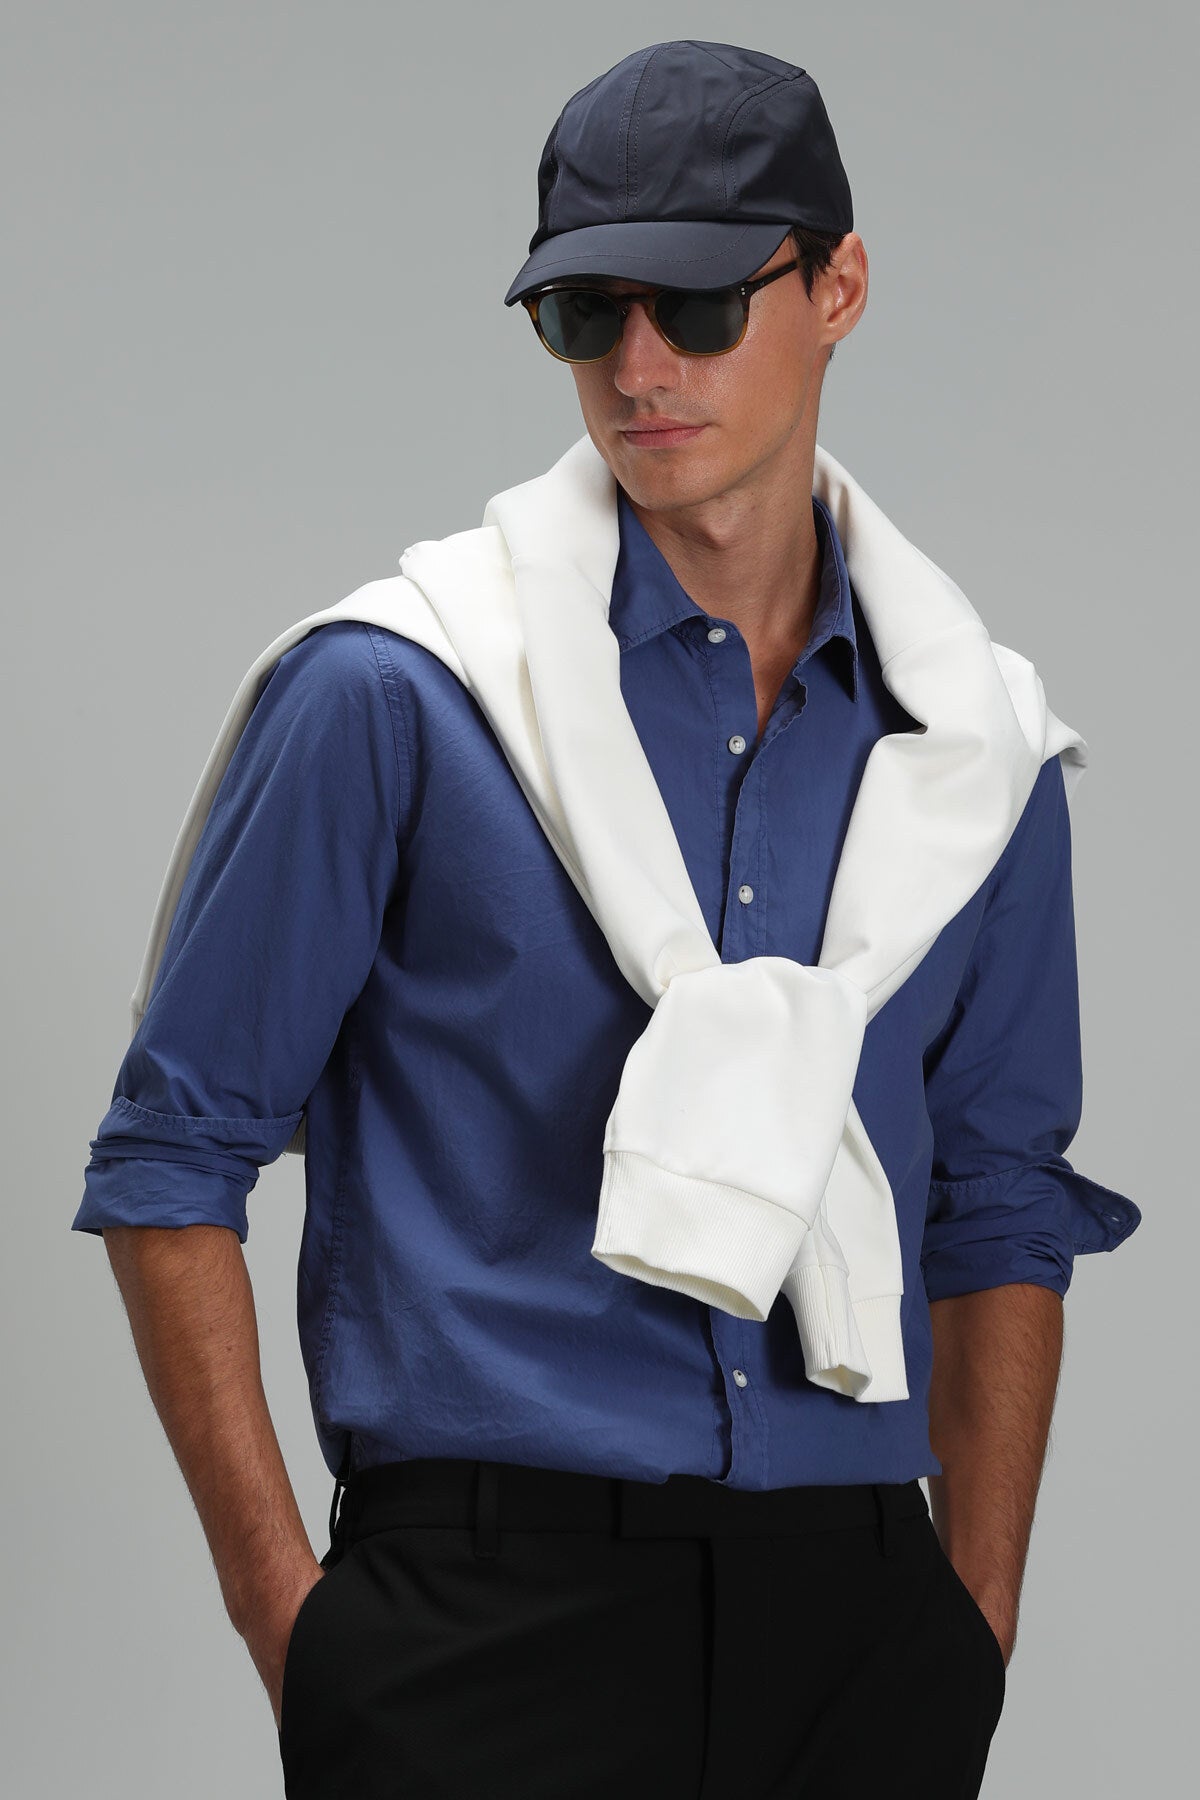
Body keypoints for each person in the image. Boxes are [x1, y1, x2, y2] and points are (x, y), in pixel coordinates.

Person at [73, 38, 1141, 1800]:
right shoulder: (395, 695)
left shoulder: (975, 755)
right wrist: (304, 1637)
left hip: (861, 1622)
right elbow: (169, 1158)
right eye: (586, 313)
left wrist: (973, 1622)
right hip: (478, 1627)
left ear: (839, 288)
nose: (639, 369)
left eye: (701, 305)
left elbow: (1000, 1200)